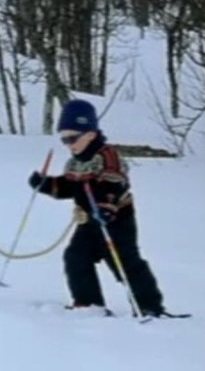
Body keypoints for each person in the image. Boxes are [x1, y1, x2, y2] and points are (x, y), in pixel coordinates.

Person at [29, 99, 171, 317]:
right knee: (76, 256)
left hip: (115, 220)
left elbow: (113, 182)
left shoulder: (107, 155)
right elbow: (70, 187)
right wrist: (46, 184)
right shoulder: (75, 162)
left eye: (72, 137)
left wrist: (107, 206)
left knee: (124, 262)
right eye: (64, 139)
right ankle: (88, 304)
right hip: (88, 221)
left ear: (90, 134)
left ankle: (149, 306)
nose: (69, 144)